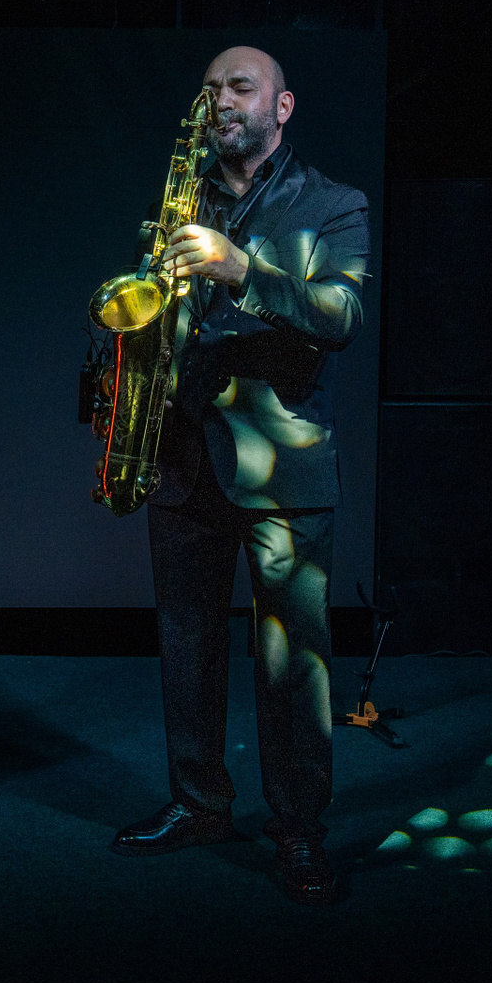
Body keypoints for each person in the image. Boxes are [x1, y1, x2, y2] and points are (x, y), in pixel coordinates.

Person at [111, 47, 369, 906]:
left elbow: (341, 313)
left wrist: (242, 269)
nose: (221, 98)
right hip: (183, 456)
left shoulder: (334, 204)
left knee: (292, 666)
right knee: (186, 648)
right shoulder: (178, 200)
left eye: (240, 87)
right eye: (212, 87)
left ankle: (298, 830)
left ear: (281, 107)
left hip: (282, 470)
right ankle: (199, 804)